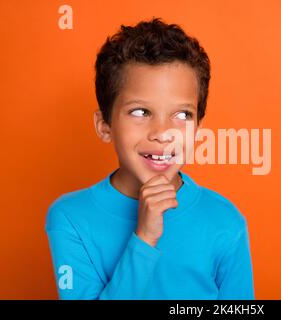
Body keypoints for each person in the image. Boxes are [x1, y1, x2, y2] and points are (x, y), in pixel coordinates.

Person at [45, 17, 255, 300]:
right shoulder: (70, 218)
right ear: (104, 125)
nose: (162, 133)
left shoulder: (226, 221)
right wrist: (144, 239)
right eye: (141, 112)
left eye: (181, 115)